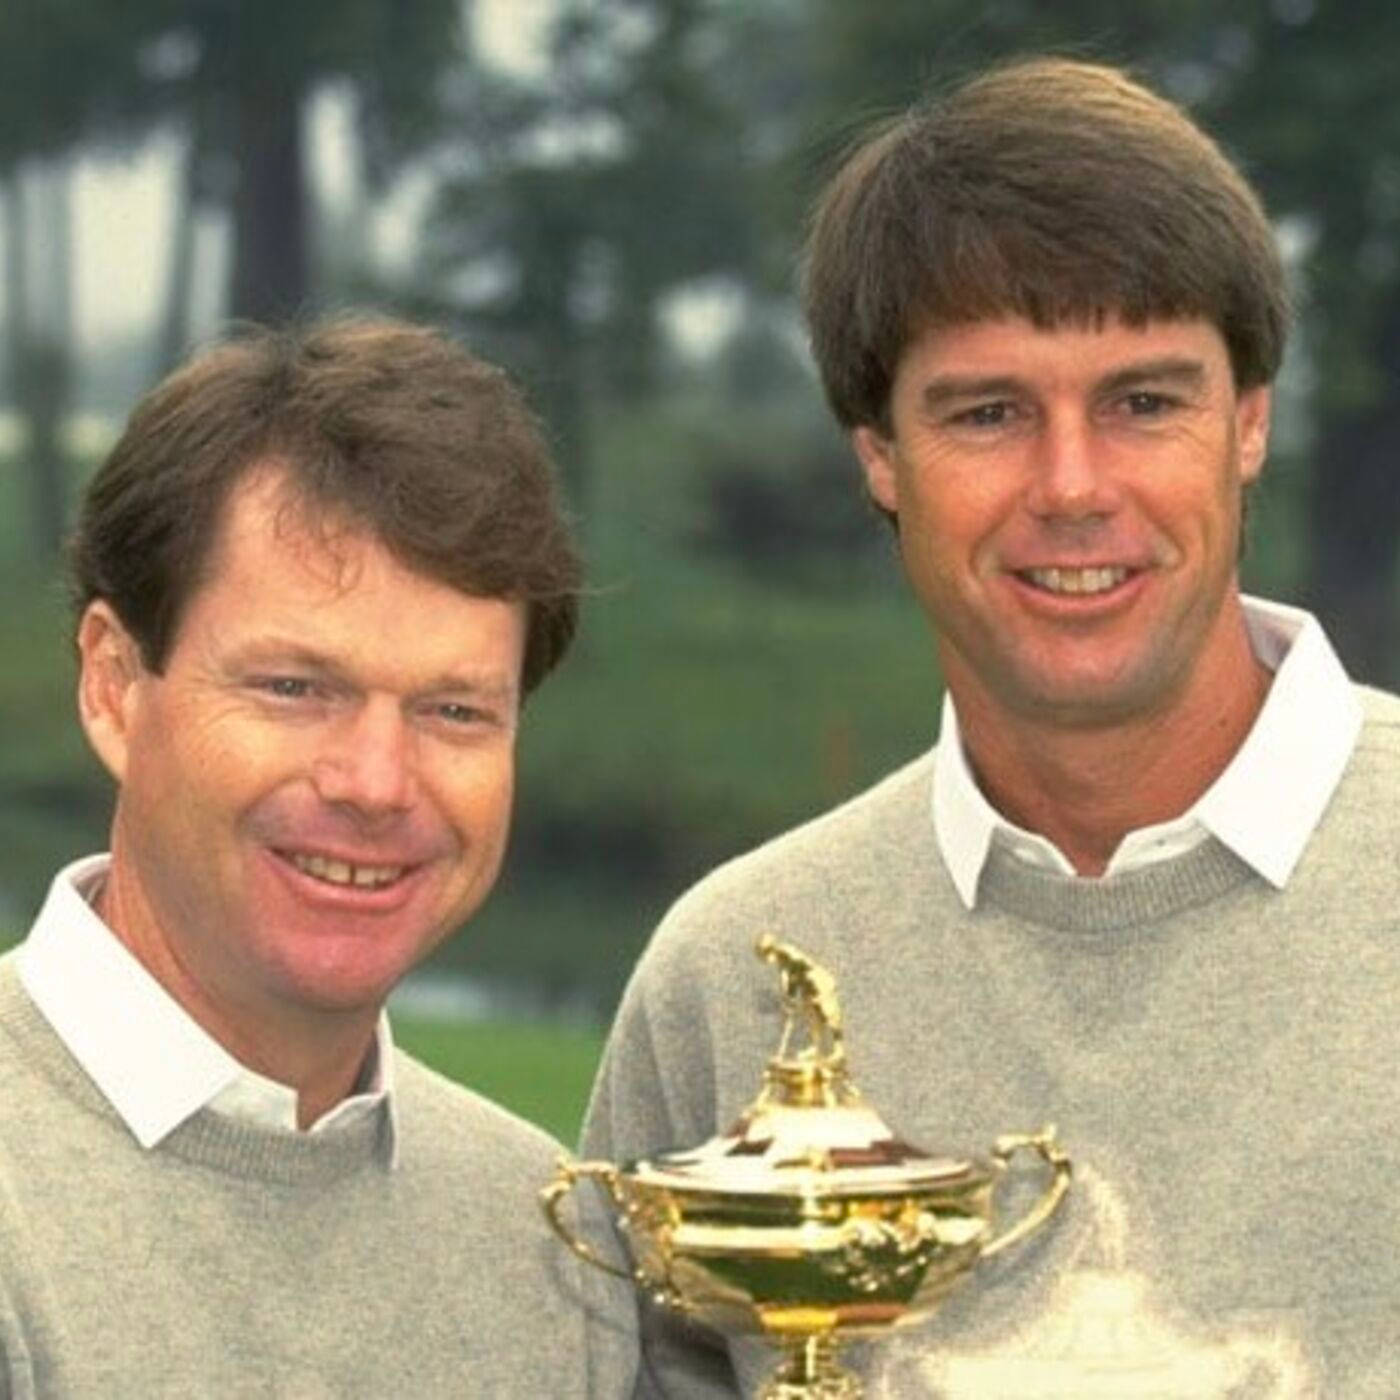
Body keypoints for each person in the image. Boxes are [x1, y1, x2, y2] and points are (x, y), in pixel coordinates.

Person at [583, 56, 1400, 1396]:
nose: (1073, 487)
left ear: (1249, 424)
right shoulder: (731, 980)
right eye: (988, 413)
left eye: (1144, 401)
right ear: (880, 460)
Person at [0, 316, 636, 1396]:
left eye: (453, 708)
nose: (376, 781)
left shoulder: (544, 1234)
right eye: (296, 687)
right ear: (112, 683)